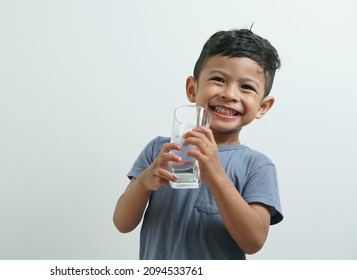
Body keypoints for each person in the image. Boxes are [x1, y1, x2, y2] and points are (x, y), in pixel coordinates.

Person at [113, 28, 284, 260]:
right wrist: (144, 181)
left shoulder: (257, 166)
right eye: (219, 80)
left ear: (262, 107)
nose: (230, 94)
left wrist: (217, 176)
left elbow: (253, 242)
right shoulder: (160, 150)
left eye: (246, 87)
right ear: (193, 89)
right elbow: (122, 223)